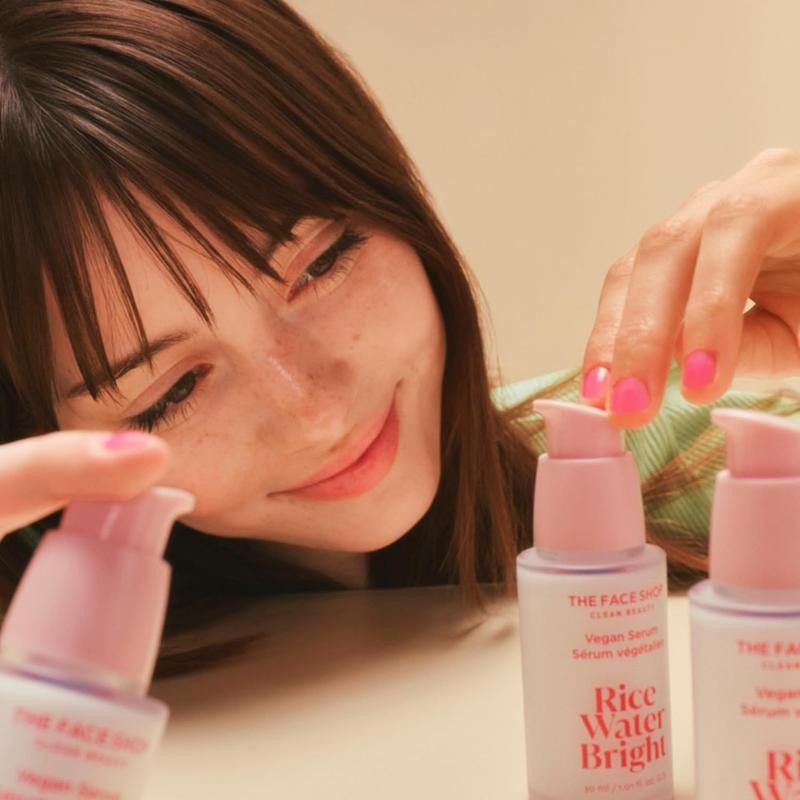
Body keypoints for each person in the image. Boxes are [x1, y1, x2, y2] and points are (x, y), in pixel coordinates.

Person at [1, 0, 799, 677]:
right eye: (172, 391)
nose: (314, 413)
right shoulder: (47, 698)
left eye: (323, 263)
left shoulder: (723, 467)